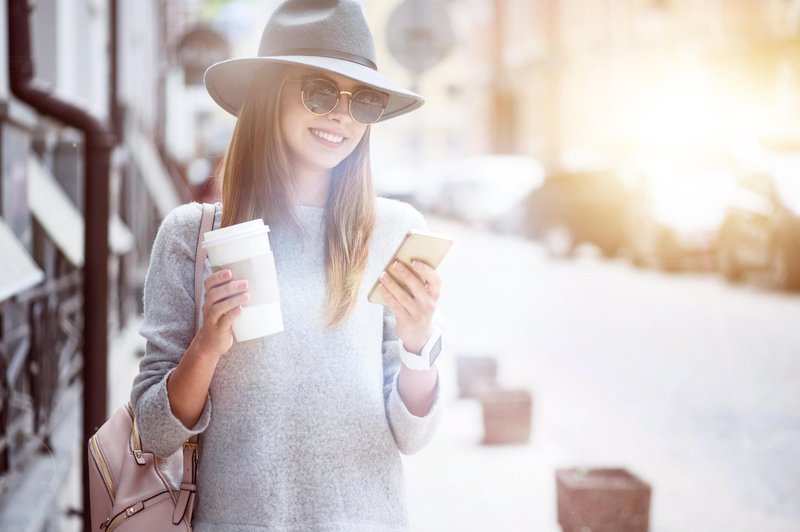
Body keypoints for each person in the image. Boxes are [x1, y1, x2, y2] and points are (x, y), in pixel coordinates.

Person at [130, 1, 444, 530]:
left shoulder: (394, 231)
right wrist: (207, 346)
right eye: (319, 91)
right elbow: (155, 431)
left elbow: (412, 436)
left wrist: (419, 345)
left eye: (363, 101)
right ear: (269, 96)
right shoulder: (193, 235)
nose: (342, 115)